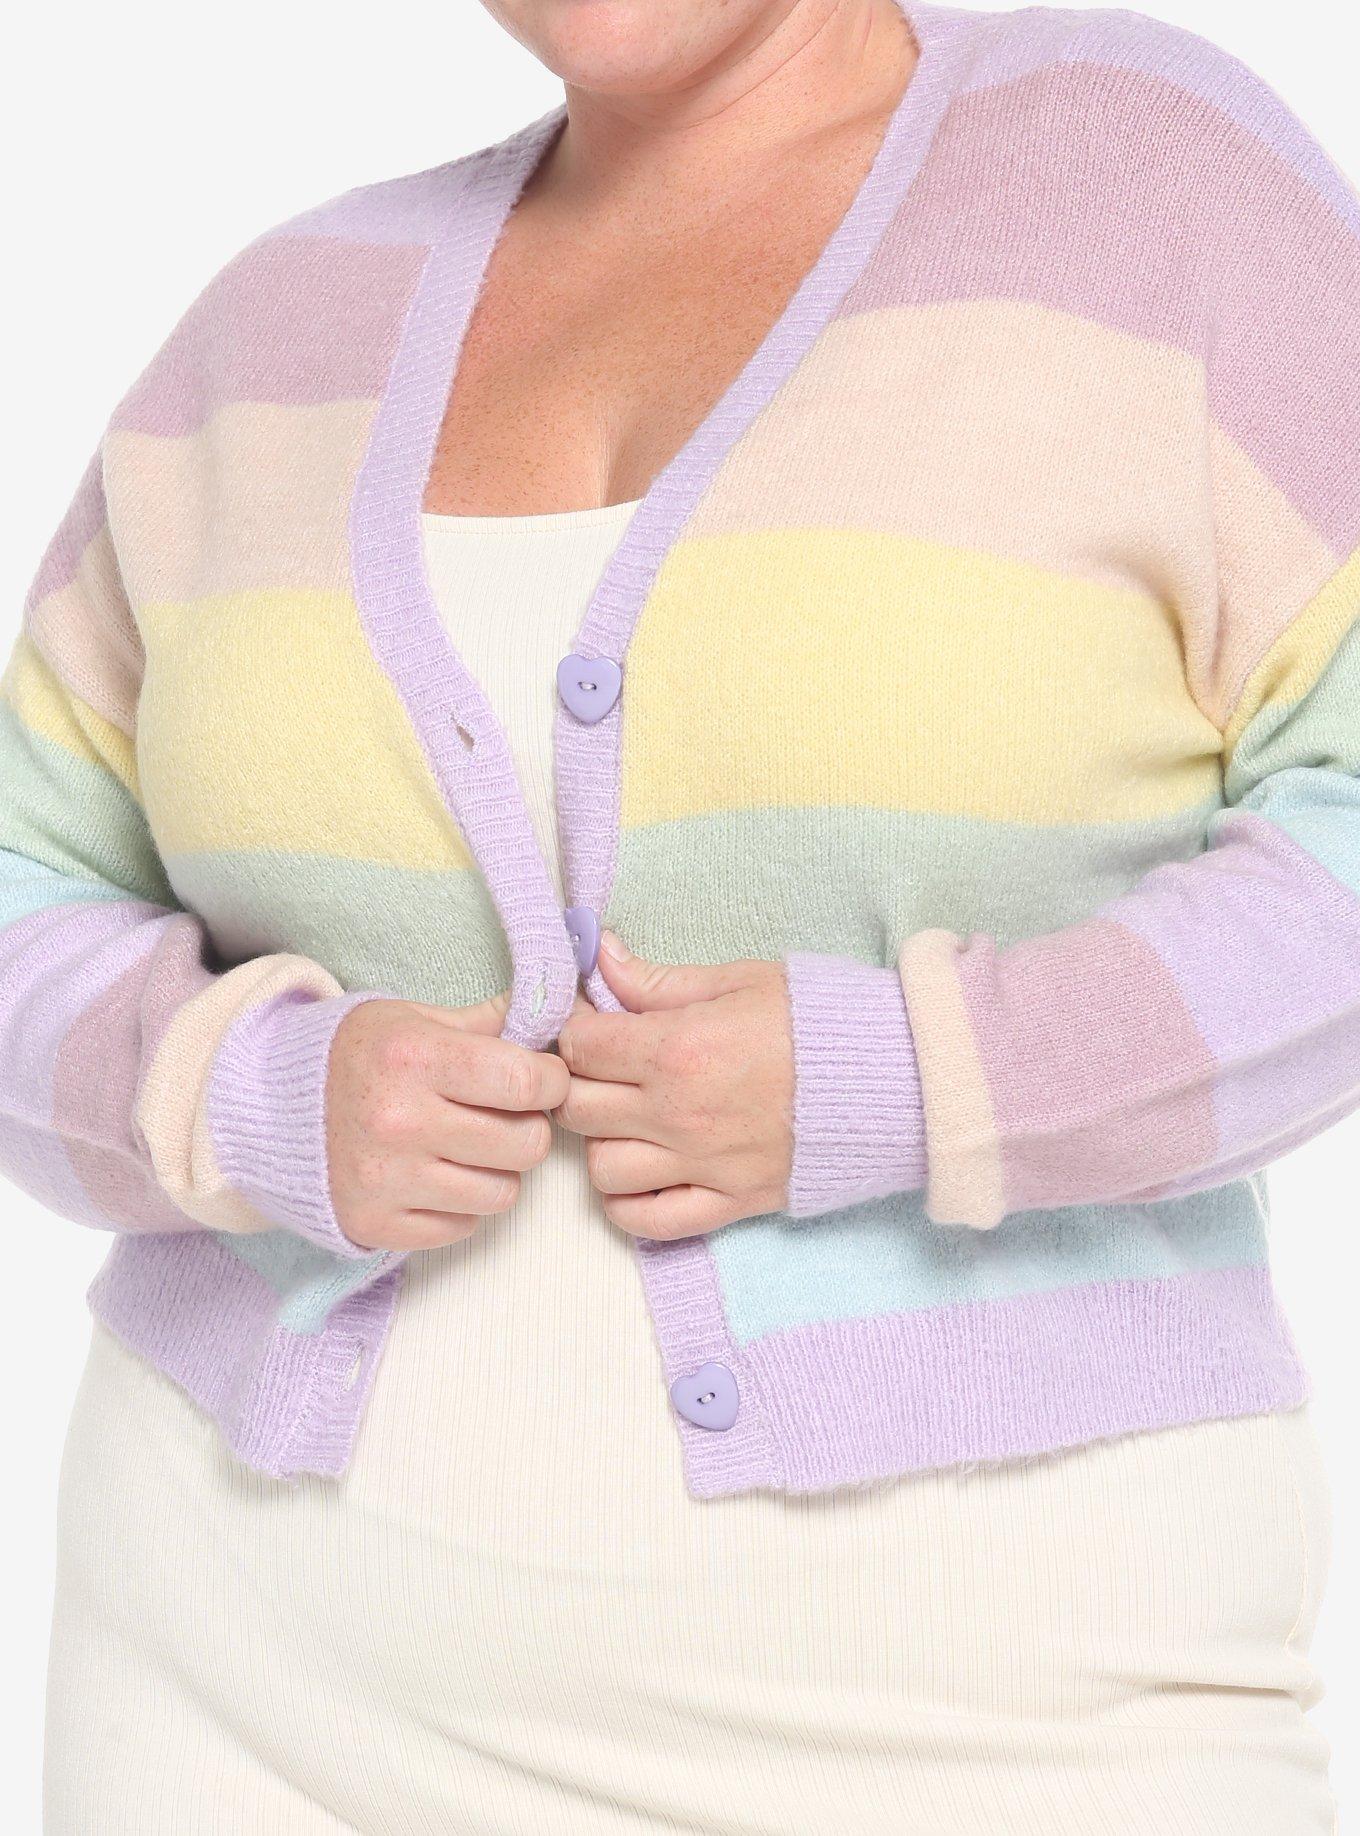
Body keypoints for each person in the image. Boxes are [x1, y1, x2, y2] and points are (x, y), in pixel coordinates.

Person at [3, 0, 1355, 1828]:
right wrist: (241, 1099)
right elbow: (26, 876)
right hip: (234, 1705)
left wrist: (923, 1075)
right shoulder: (274, 325)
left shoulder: (1148, 181)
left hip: (1017, 1719)